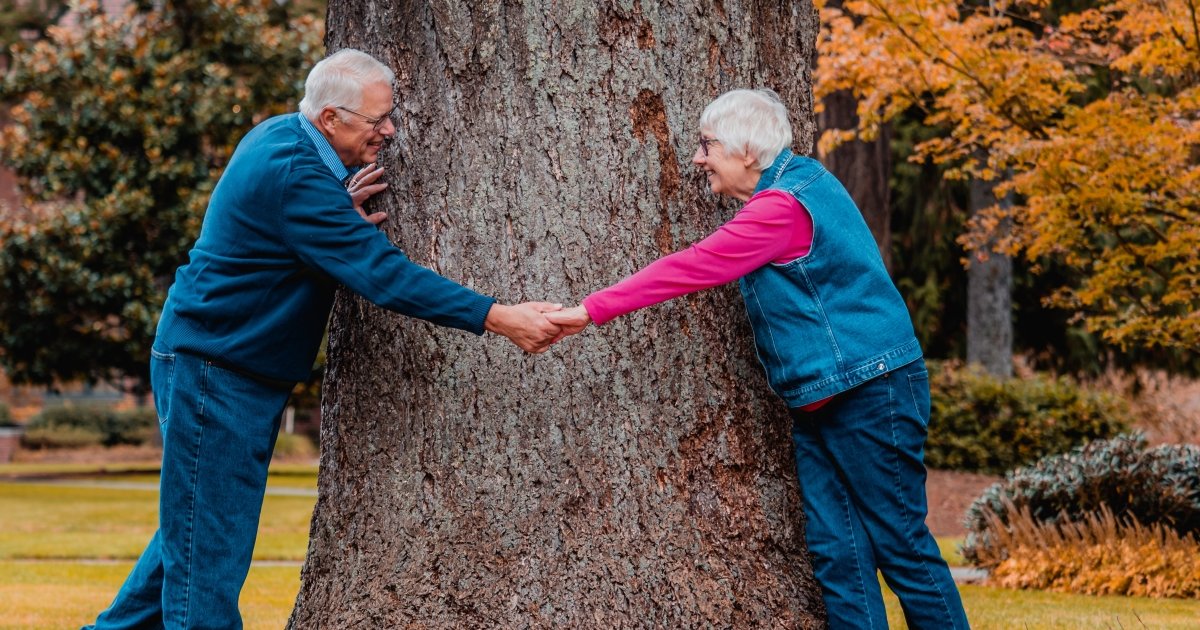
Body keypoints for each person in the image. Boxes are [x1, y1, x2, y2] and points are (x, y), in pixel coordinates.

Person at [86, 48, 561, 629]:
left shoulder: (284, 141)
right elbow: (384, 276)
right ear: (331, 119)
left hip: (226, 363)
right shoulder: (297, 175)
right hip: (215, 369)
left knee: (194, 523)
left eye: (389, 116)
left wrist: (333, 217)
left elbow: (289, 234)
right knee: (209, 549)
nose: (389, 130)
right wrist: (497, 316)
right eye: (376, 121)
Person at [546, 89, 969, 629]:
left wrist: (590, 310)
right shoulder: (804, 180)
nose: (698, 158)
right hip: (822, 400)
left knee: (901, 544)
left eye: (708, 144)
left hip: (870, 390)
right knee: (839, 554)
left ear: (747, 152)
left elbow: (693, 266)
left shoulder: (780, 208)